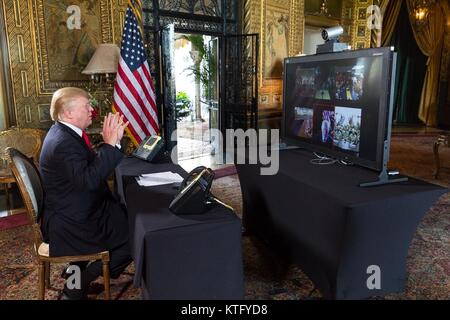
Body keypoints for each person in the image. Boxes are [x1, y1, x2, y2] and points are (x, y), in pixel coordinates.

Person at [39, 87, 131, 299]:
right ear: (68, 113)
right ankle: (81, 282)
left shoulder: (64, 132)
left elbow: (86, 170)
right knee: (136, 237)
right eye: (86, 105)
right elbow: (89, 180)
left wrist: (113, 144)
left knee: (124, 214)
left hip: (71, 208)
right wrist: (109, 145)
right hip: (72, 221)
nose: (92, 109)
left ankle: (74, 280)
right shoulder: (63, 143)